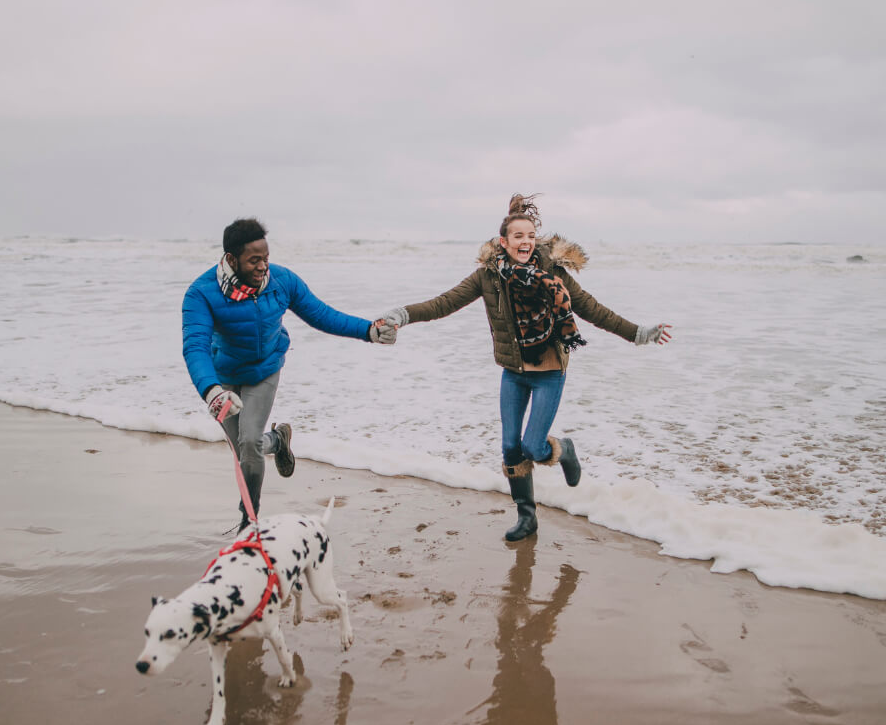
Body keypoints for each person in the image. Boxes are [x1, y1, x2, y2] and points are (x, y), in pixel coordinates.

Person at [380, 194, 670, 542]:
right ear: (503, 242)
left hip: (548, 370)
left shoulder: (553, 272)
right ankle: (526, 516)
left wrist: (638, 333)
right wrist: (403, 315)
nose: (526, 242)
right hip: (514, 372)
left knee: (534, 446)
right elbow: (445, 303)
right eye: (518, 236)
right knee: (509, 447)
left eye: (530, 236)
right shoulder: (487, 277)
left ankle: (564, 449)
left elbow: (592, 309)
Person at [183, 217, 396, 530]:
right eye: (254, 260)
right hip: (223, 378)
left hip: (264, 370)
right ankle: (279, 440)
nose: (262, 267)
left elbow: (322, 315)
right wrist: (211, 389)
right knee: (244, 449)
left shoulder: (281, 282)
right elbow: (195, 346)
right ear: (231, 259)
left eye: (265, 258)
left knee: (250, 442)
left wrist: (368, 330)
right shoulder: (201, 293)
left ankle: (249, 522)